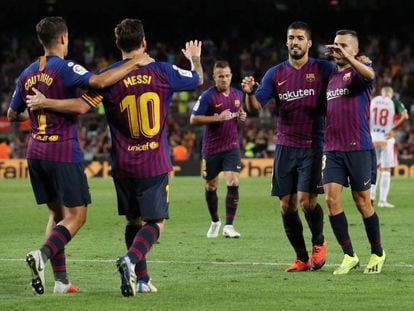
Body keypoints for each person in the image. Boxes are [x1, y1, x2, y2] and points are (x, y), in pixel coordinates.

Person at [26, 18, 203, 297]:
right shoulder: (164, 72)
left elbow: (81, 107)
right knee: (155, 223)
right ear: (144, 43)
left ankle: (142, 280)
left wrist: (45, 102)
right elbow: (197, 79)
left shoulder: (107, 78)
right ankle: (131, 261)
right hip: (154, 162)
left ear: (118, 45)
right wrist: (195, 60)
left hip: (122, 165)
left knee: (133, 221)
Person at [7, 16, 151, 295]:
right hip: (61, 151)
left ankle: (61, 282)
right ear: (63, 38)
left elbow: (13, 114)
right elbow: (97, 81)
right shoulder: (64, 67)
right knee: (77, 216)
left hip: (35, 151)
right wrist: (135, 61)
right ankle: (42, 256)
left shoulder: (26, 73)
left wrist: (40, 107)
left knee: (56, 214)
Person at [241, 21, 334, 271]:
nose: (295, 42)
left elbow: (347, 80)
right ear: (287, 42)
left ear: (309, 43)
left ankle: (319, 242)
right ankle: (302, 258)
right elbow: (254, 108)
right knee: (286, 204)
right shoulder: (275, 73)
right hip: (285, 145)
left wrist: (360, 63)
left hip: (313, 145)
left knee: (307, 201)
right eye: (291, 37)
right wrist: (249, 93)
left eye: (300, 38)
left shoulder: (324, 69)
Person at [323, 29, 386, 274]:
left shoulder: (359, 72)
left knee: (363, 203)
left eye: (344, 46)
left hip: (358, 147)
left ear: (356, 50)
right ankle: (349, 255)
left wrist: (351, 60)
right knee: (331, 200)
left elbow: (370, 75)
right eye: (336, 45)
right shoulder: (330, 76)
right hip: (333, 149)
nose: (338, 49)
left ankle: (378, 253)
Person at [190, 60, 246, 238]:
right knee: (211, 185)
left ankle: (229, 226)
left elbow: (239, 112)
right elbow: (194, 119)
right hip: (211, 148)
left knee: (233, 181)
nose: (224, 79)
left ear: (231, 76)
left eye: (227, 76)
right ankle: (215, 221)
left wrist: (242, 115)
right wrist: (216, 118)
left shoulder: (238, 94)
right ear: (214, 77)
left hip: (231, 146)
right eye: (220, 76)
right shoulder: (207, 96)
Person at [370, 86, 408, 208]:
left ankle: (371, 196)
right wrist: (394, 129)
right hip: (387, 138)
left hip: (373, 137)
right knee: (386, 169)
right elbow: (405, 117)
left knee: (373, 168)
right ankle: (382, 201)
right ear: (391, 94)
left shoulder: (373, 100)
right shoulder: (394, 101)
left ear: (381, 93)